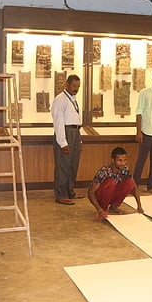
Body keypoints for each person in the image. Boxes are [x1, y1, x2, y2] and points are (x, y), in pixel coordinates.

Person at [51, 74, 83, 205]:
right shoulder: (60, 99)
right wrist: (63, 142)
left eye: (78, 86)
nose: (76, 89)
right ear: (67, 84)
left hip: (75, 132)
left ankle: (70, 191)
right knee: (63, 166)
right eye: (74, 86)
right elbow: (58, 122)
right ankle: (61, 195)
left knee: (73, 165)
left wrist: (79, 140)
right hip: (65, 132)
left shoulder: (73, 99)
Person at [88, 147, 144, 220]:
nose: (123, 163)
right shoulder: (104, 172)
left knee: (130, 182)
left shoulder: (125, 170)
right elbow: (91, 192)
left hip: (111, 193)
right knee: (110, 182)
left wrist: (139, 206)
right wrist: (99, 210)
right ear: (112, 160)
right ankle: (103, 209)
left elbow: (134, 188)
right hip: (99, 196)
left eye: (125, 160)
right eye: (119, 160)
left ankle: (114, 207)